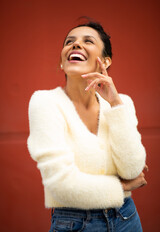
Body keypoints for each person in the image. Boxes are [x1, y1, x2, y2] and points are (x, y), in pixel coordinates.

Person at [27, 19, 147, 232]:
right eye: (69, 42)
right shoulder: (45, 102)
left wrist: (117, 104)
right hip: (74, 222)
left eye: (87, 41)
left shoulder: (122, 104)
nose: (75, 45)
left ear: (105, 61)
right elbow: (61, 186)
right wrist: (122, 187)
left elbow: (132, 168)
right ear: (62, 62)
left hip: (126, 218)